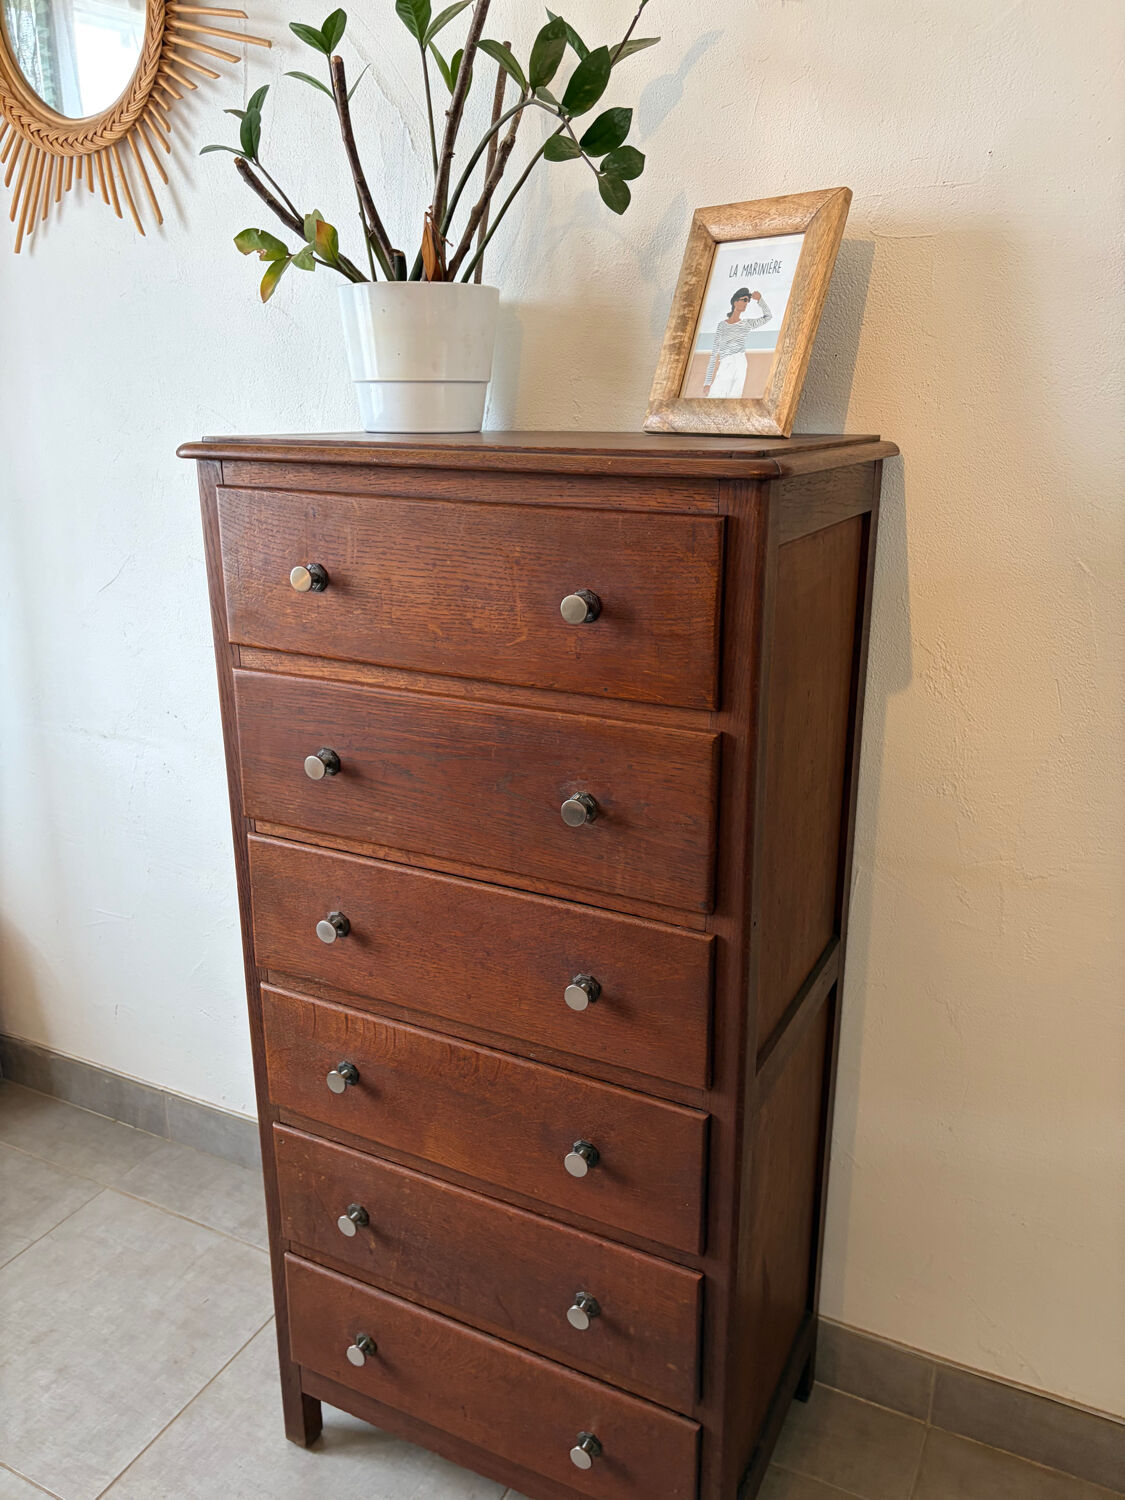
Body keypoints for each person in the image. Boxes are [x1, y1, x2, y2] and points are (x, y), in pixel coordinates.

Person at [702, 287, 772, 398]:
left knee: (734, 398)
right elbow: (714, 353)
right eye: (744, 300)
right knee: (714, 397)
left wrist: (760, 300)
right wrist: (707, 382)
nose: (746, 303)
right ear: (735, 302)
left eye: (747, 301)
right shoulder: (722, 326)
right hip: (725, 363)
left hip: (740, 362)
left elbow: (768, 316)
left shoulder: (746, 323)